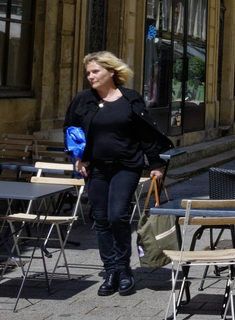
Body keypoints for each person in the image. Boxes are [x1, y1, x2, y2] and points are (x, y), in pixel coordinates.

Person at [64, 51, 174, 297]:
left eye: (95, 71)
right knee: (102, 219)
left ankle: (124, 270)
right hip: (96, 168)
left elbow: (145, 133)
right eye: (88, 73)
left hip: (126, 166)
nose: (90, 76)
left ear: (111, 72)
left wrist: (155, 164)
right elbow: (70, 129)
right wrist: (78, 157)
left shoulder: (130, 99)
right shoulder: (84, 100)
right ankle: (111, 270)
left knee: (117, 216)